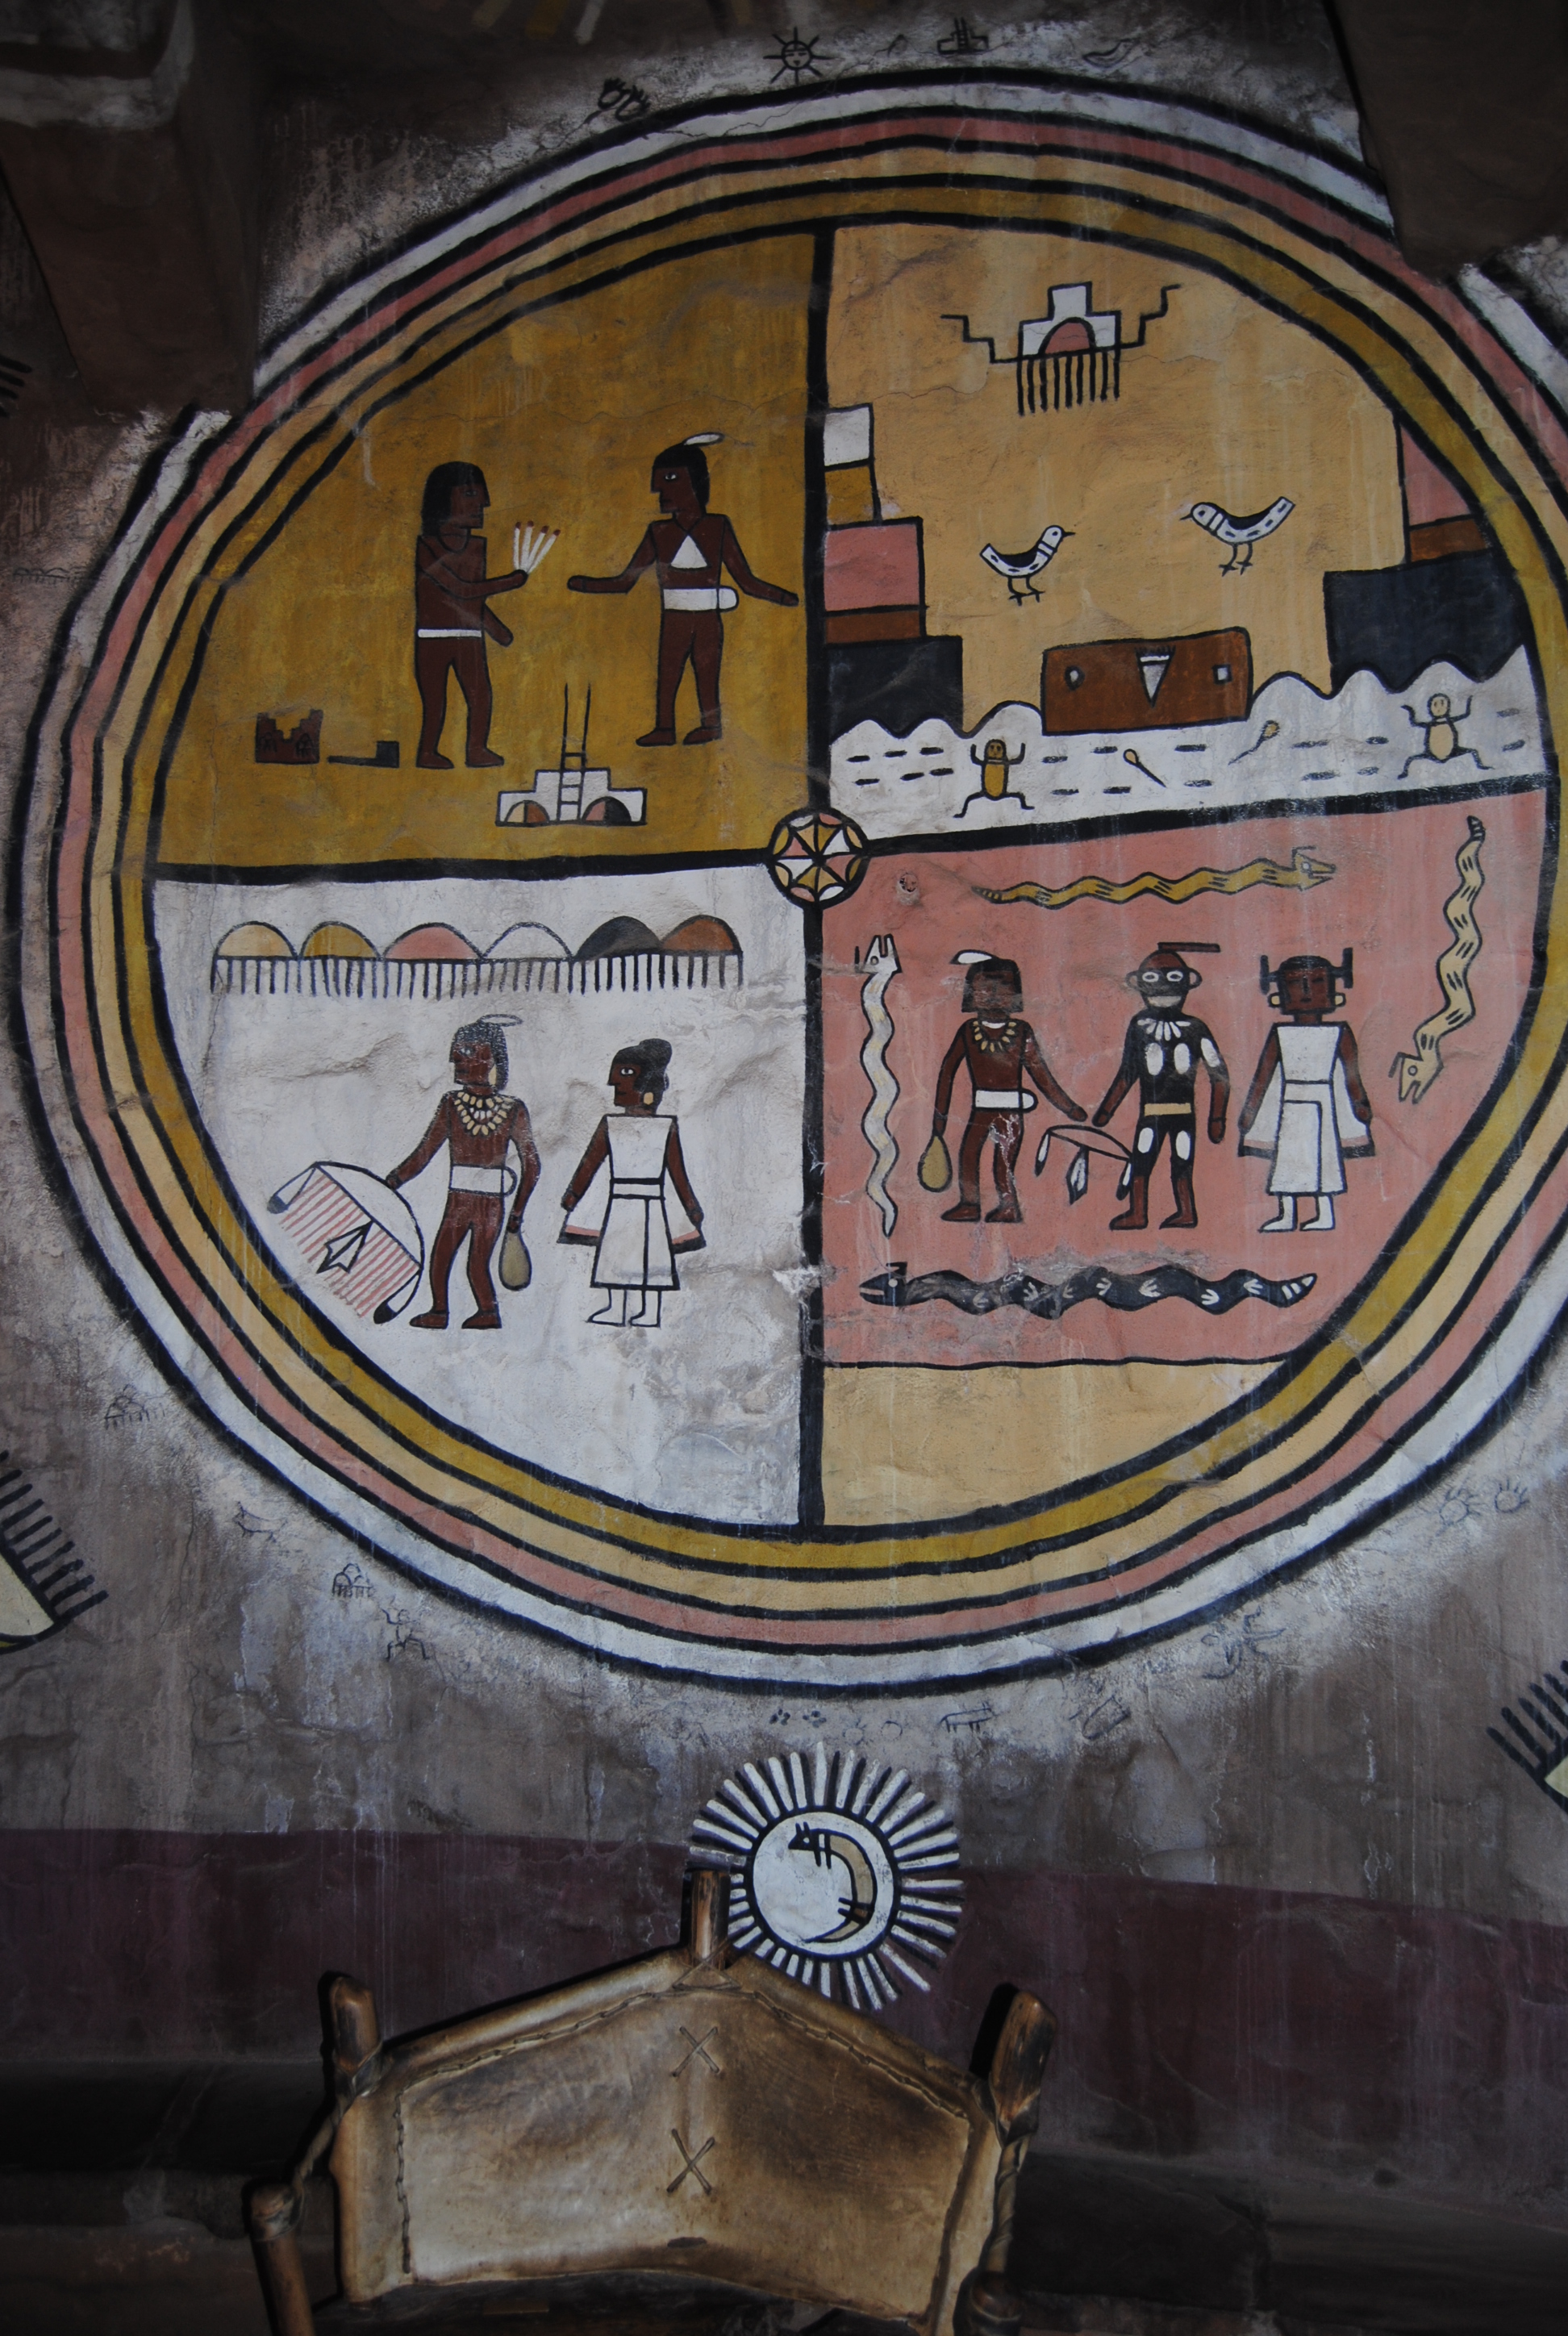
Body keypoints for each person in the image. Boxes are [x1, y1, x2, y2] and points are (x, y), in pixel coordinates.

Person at [566, 434, 798, 745]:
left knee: (706, 672)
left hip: (707, 618)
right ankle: (665, 728)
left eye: (670, 479)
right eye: (659, 482)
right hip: (674, 616)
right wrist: (585, 584)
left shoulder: (717, 527)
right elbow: (625, 582)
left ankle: (711, 725)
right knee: (668, 673)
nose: (659, 491)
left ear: (695, 481)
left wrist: (783, 597)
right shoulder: (659, 531)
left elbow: (746, 580)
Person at [386, 1020, 539, 1329]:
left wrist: (517, 1214)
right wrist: (394, 1181)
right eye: (457, 1053)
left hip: (490, 1203)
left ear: (492, 1058)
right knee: (442, 1257)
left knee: (476, 1263)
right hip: (460, 1199)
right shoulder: (452, 1104)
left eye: (468, 1051)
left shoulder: (512, 1109)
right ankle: (440, 1310)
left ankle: (487, 1311)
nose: (457, 1059)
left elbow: (532, 1165)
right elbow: (424, 1153)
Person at [927, 954, 1085, 1224]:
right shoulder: (968, 1031)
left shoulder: (1021, 1031)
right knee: (968, 1155)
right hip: (981, 1109)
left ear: (1015, 995)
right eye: (984, 989)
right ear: (971, 995)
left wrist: (1069, 1107)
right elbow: (947, 1073)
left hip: (1010, 1112)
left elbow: (1040, 1073)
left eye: (1002, 989)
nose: (993, 996)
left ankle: (1008, 1205)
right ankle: (970, 1204)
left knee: (1004, 1161)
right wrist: (939, 1118)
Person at [558, 1039, 704, 1326]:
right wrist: (574, 1192)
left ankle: (650, 1312)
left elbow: (678, 1174)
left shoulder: (666, 1127)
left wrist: (691, 1206)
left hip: (651, 1203)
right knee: (615, 1253)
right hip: (620, 1201)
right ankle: (616, 1308)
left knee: (654, 1257)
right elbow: (590, 1164)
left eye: (625, 1075)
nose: (615, 1084)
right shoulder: (610, 1125)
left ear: (649, 1085)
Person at [1092, 943, 1229, 1231]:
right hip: (1152, 1112)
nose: (1164, 987)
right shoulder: (1139, 1026)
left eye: (1172, 979)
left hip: (1183, 1112)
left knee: (1182, 1162)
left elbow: (1219, 1074)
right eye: (1155, 979)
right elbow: (1128, 1073)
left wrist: (1217, 1118)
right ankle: (1138, 1213)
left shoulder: (1196, 1028)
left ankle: (1186, 1212)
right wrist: (1107, 1109)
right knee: (1142, 1161)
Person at [1238, 953, 1373, 1231]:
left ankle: (1325, 1212)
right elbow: (1263, 1076)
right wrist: (1251, 1109)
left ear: (1333, 990)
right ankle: (1287, 1214)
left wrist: (1359, 1102)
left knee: (1326, 1159)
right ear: (1281, 994)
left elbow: (1351, 1072)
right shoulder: (1280, 1034)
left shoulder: (1339, 1032)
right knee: (1287, 1159)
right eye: (1296, 984)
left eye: (1318, 982)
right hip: (1291, 1103)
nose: (1307, 991)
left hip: (1323, 1100)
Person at [415, 462, 531, 770]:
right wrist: (510, 582)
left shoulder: (476, 547)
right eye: (470, 494)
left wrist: (495, 629)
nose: (484, 503)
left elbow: (472, 601)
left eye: (482, 495)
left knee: (481, 696)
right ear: (442, 499)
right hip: (433, 638)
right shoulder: (428, 547)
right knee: (435, 702)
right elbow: (461, 591)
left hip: (469, 637)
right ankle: (427, 752)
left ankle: (476, 749)